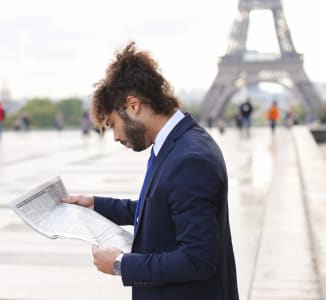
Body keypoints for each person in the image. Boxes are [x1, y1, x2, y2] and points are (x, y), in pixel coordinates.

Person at [63, 42, 238, 300]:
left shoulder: (189, 159)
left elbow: (198, 259)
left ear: (133, 106)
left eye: (113, 124)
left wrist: (121, 264)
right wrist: (96, 205)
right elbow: (162, 209)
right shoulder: (174, 144)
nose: (115, 136)